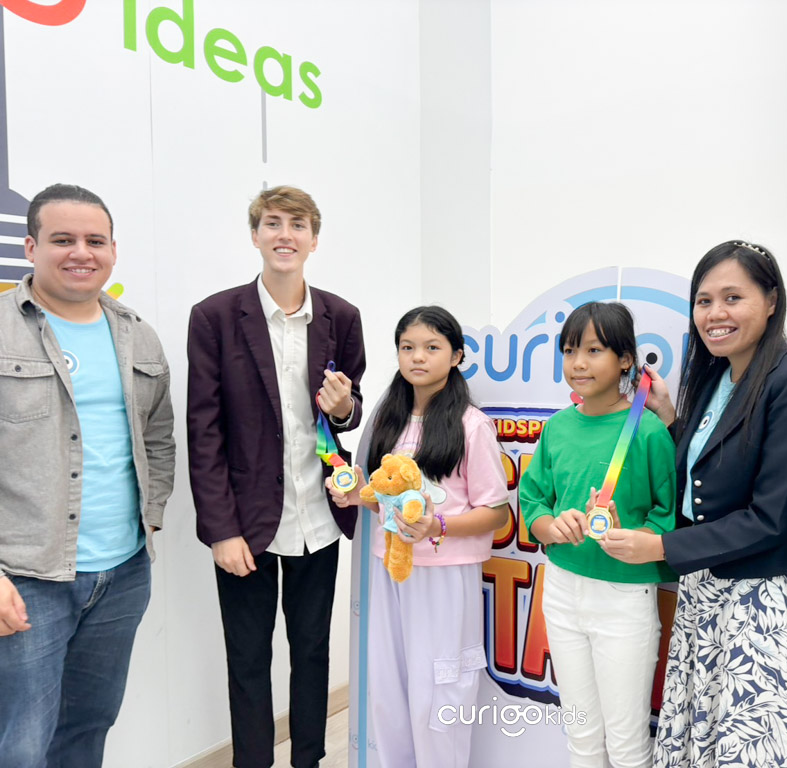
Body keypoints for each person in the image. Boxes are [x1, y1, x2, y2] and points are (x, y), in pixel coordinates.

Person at [601, 242, 787, 767]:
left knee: (758, 749)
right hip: (705, 593)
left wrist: (662, 546)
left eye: (733, 297)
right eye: (704, 300)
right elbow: (705, 481)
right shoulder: (714, 378)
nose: (715, 314)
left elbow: (773, 517)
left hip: (766, 602)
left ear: (771, 301)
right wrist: (671, 422)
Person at [187, 185, 365, 768]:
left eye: (297, 224)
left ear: (314, 240)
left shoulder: (342, 316)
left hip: (319, 513)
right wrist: (220, 529)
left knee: (312, 652)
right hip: (245, 523)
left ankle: (308, 760)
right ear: (255, 235)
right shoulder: (215, 317)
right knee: (247, 657)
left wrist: (345, 407)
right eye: (272, 223)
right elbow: (204, 430)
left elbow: (350, 409)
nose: (284, 234)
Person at [0, 183, 175, 767]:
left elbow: (158, 437)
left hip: (122, 574)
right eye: (63, 239)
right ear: (30, 247)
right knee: (20, 745)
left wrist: (150, 518)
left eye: (95, 241)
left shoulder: (137, 334)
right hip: (26, 580)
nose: (81, 252)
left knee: (88, 727)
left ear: (113, 251)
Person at [327, 305, 510, 768]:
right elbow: (386, 501)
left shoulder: (471, 424)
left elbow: (496, 512)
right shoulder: (388, 420)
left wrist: (438, 526)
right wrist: (358, 496)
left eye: (431, 347)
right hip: (389, 569)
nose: (418, 357)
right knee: (389, 690)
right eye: (407, 347)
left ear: (456, 355)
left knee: (439, 693)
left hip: (444, 576)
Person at [517, 301, 677, 768]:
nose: (578, 363)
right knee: (582, 737)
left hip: (624, 599)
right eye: (570, 351)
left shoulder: (649, 432)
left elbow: (669, 518)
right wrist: (552, 527)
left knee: (627, 746)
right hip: (561, 591)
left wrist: (634, 536)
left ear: (625, 360)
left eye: (593, 350)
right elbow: (533, 501)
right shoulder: (557, 427)